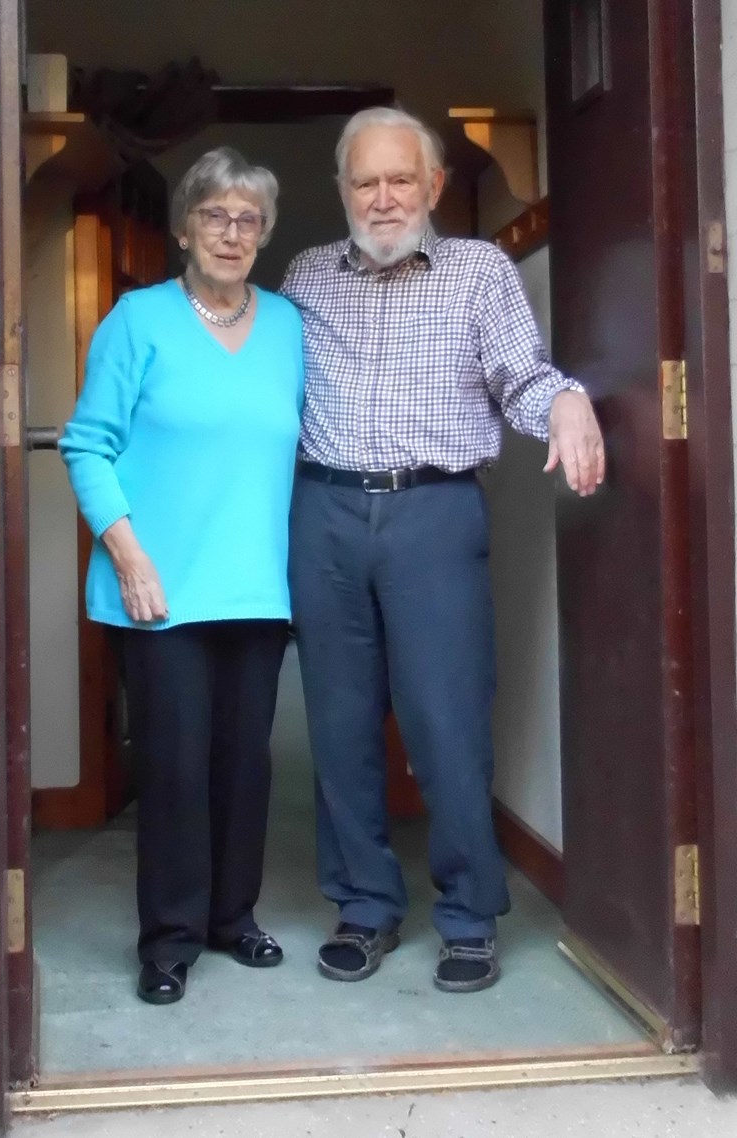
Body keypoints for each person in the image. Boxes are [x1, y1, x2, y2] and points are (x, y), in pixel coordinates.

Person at [282, 107, 604, 994]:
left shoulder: (480, 272)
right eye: (364, 182)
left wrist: (568, 403)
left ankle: (468, 916)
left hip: (434, 514)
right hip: (326, 513)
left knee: (448, 722)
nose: (382, 199)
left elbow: (524, 377)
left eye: (399, 180)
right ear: (343, 192)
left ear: (432, 186)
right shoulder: (307, 276)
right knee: (340, 725)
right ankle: (364, 906)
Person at [60, 147, 303, 1005]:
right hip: (157, 589)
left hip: (258, 590)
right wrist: (130, 558)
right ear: (184, 227)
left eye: (248, 219)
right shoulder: (138, 320)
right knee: (174, 766)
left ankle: (232, 918)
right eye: (215, 215)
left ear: (265, 233)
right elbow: (88, 443)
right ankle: (167, 939)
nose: (232, 233)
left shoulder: (289, 327)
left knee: (247, 764)